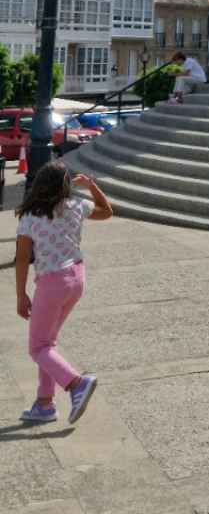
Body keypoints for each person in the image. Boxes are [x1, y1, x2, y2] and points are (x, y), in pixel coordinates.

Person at [14, 163, 113, 427]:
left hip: (52, 283)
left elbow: (22, 259)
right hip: (76, 279)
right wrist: (92, 186)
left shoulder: (30, 217)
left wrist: (21, 295)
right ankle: (44, 404)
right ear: (64, 185)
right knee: (47, 343)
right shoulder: (76, 206)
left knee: (38, 348)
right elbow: (107, 212)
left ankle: (76, 383)